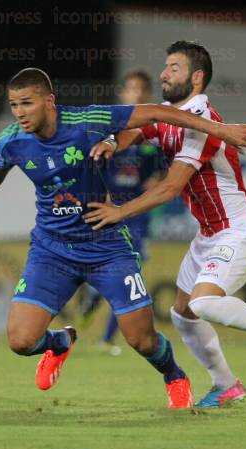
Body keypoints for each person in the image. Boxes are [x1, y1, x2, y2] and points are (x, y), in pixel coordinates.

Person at [0, 67, 246, 409]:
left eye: (27, 103)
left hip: (106, 247)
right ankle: (60, 342)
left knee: (141, 340)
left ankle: (174, 375)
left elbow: (157, 111)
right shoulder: (13, 141)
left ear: (49, 102)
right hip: (52, 251)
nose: (19, 112)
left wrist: (219, 129)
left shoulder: (89, 120)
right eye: (13, 105)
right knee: (20, 340)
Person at [85, 41, 246, 408]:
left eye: (173, 67)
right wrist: (111, 142)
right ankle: (226, 384)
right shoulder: (171, 113)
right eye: (165, 66)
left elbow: (170, 187)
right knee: (182, 314)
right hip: (210, 234)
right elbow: (136, 132)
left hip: (240, 229)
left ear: (196, 78)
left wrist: (120, 212)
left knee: (202, 304)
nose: (163, 74)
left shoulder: (202, 120)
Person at [78, 70, 167, 356]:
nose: (137, 95)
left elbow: (168, 170)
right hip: (106, 208)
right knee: (104, 267)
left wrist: (159, 179)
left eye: (142, 90)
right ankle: (92, 295)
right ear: (123, 94)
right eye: (131, 89)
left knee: (131, 273)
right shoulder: (108, 129)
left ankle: (106, 339)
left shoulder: (153, 132)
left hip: (137, 213)